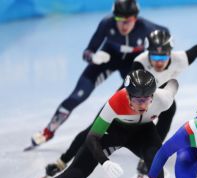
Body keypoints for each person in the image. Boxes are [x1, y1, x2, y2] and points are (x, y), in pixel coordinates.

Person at [40, 11, 197, 178]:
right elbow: (133, 91)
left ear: (170, 53)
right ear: (148, 53)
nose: (158, 61)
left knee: (169, 109)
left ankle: (148, 159)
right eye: (154, 56)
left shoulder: (181, 59)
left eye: (162, 56)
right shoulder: (140, 62)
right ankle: (63, 160)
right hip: (132, 96)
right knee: (94, 129)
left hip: (156, 96)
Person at [5, 70, 178, 178]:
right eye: (138, 100)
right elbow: (92, 137)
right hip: (113, 133)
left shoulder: (162, 99)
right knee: (73, 175)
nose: (143, 105)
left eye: (147, 99)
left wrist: (168, 77)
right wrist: (105, 161)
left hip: (143, 133)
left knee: (156, 161)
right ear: (128, 95)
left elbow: (174, 84)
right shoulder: (115, 103)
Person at [27, 0, 169, 150]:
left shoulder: (145, 27)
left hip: (131, 63)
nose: (124, 25)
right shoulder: (107, 24)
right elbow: (87, 51)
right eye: (119, 20)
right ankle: (48, 130)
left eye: (128, 20)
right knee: (77, 96)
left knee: (128, 99)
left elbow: (165, 33)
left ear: (136, 18)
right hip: (106, 59)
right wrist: (93, 57)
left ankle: (131, 135)